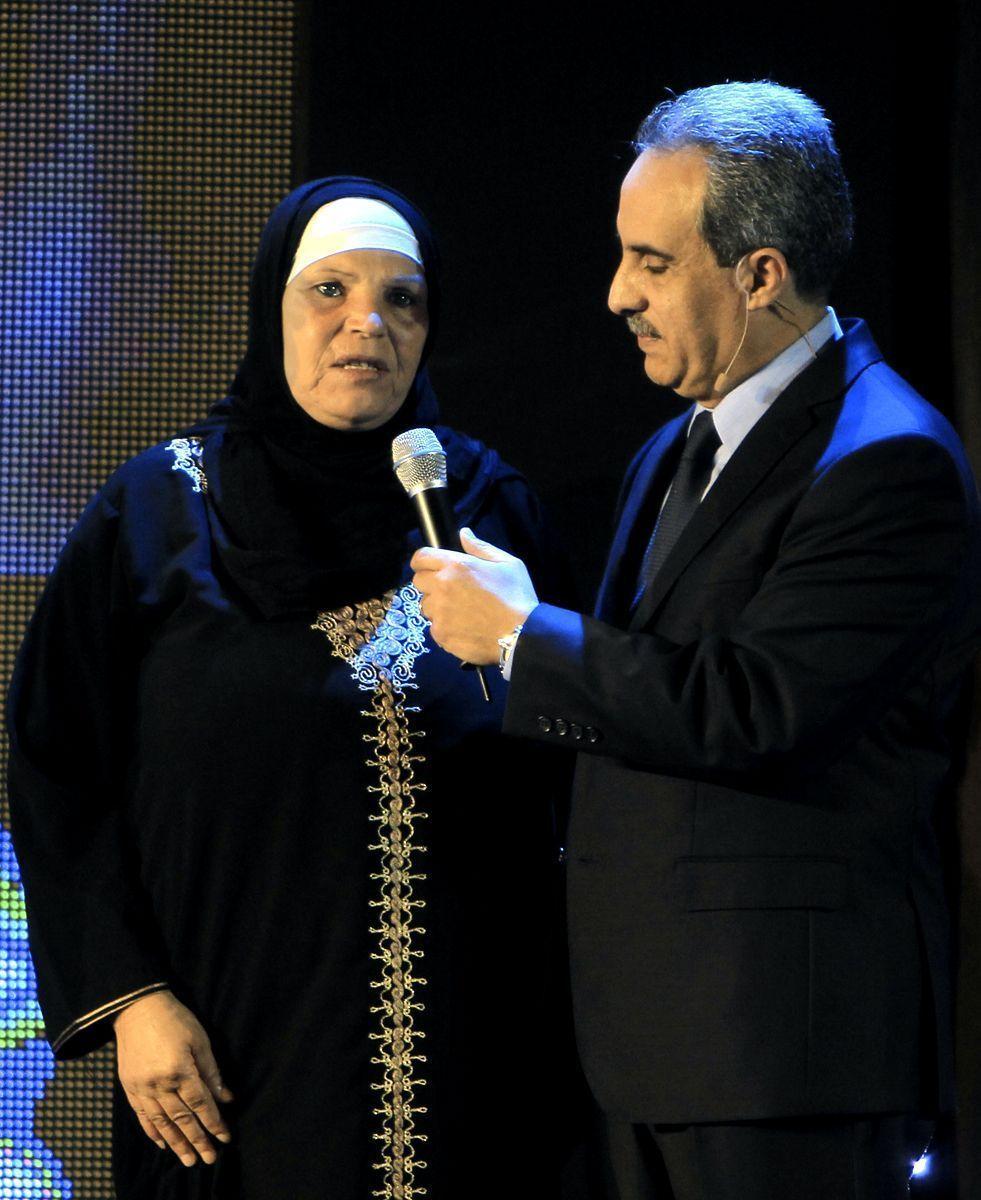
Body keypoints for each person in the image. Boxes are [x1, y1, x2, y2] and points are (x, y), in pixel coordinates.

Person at [411, 82, 981, 1199]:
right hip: (656, 1051)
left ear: (759, 273)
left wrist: (528, 638)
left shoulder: (885, 461)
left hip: (783, 1061)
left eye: (653, 263)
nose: (617, 294)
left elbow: (757, 707)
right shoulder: (676, 445)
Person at [6, 176, 578, 1199]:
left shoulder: (488, 511)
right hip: (226, 1070)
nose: (367, 322)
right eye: (330, 290)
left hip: (465, 1074)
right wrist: (130, 998)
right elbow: (57, 768)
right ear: (275, 306)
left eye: (402, 298)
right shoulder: (158, 513)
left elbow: (574, 771)